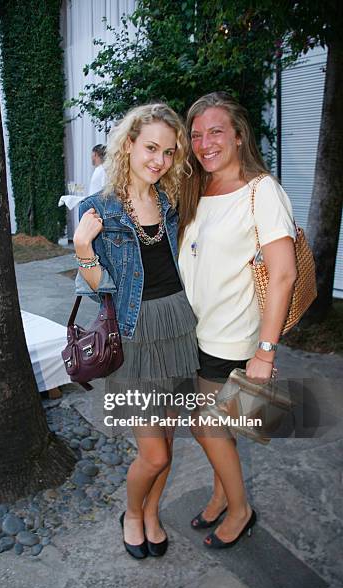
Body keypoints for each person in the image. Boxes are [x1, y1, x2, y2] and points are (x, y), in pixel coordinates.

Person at [73, 103, 199, 559]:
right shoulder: (99, 208)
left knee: (165, 441)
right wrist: (84, 247)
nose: (159, 160)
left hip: (178, 327)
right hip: (133, 334)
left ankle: (151, 513)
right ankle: (131, 512)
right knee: (155, 454)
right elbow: (96, 289)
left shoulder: (170, 200)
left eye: (168, 152)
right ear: (128, 144)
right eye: (151, 148)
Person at [178, 92, 297, 548]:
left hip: (230, 336)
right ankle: (221, 494)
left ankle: (241, 508)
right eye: (196, 134)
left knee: (205, 425)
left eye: (216, 131)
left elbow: (283, 274)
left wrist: (265, 354)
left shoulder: (261, 190)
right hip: (194, 329)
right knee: (217, 427)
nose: (205, 142)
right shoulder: (197, 188)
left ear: (239, 135)